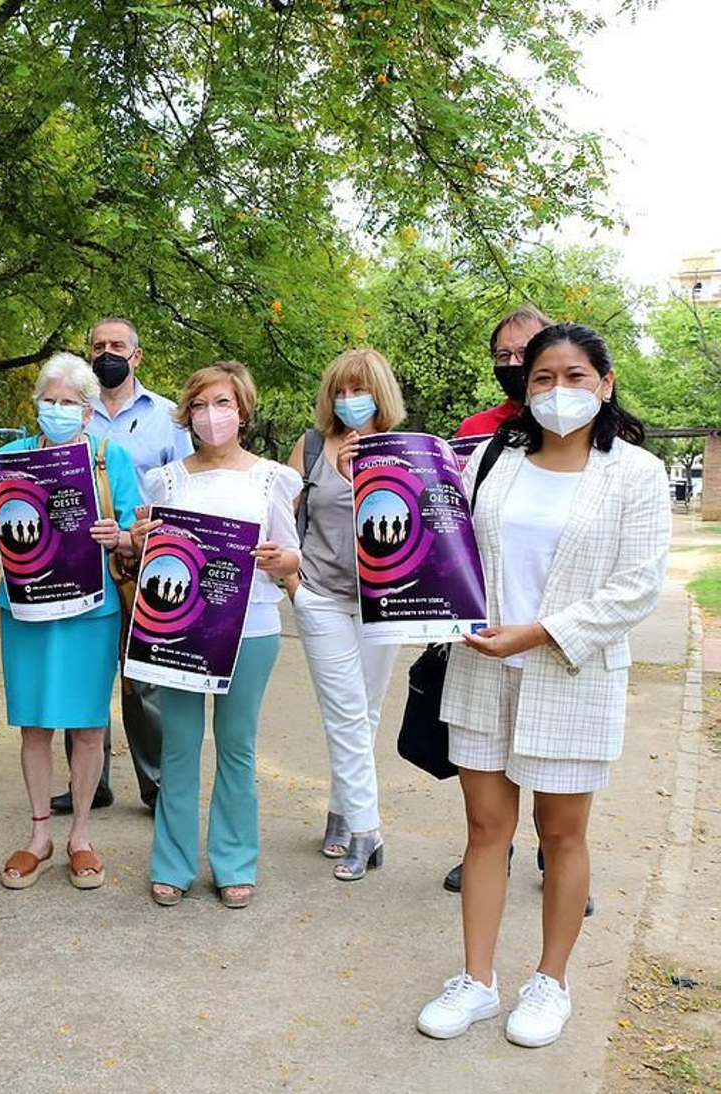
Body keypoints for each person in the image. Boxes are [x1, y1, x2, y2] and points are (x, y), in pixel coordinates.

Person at [416, 323, 668, 1048]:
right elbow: (448, 550)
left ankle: (550, 981)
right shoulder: (493, 460)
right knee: (486, 831)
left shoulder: (635, 473)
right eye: (543, 379)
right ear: (525, 392)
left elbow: (636, 589)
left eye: (575, 376)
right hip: (483, 670)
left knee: (561, 836)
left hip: (569, 672)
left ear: (606, 383)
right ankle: (477, 980)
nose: (559, 391)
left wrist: (539, 632)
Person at [130, 362, 300, 909]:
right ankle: (173, 864)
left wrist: (282, 558)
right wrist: (138, 539)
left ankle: (233, 862)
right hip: (179, 627)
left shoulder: (273, 478)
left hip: (251, 627)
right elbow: (150, 553)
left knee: (237, 747)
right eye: (200, 405)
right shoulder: (166, 479)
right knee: (178, 746)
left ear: (243, 410)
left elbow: (292, 552)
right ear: (187, 415)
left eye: (223, 403)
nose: (211, 415)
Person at [0, 353, 140, 893]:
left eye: (69, 403)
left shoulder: (107, 458)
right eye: (49, 401)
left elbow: (141, 531)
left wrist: (118, 536)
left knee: (89, 726)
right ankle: (39, 836)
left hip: (91, 609)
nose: (58, 410)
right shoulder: (11, 457)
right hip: (26, 606)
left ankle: (81, 837)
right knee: (34, 724)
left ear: (89, 412)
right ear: (36, 406)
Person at [446, 305, 589, 908]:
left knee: (560, 811)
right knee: (487, 799)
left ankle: (553, 857)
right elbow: (447, 518)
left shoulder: (601, 438)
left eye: (522, 354)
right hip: (487, 632)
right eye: (502, 357)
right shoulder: (480, 432)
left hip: (559, 645)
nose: (513, 366)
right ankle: (492, 850)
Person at [52, 317, 193, 815]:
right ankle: (89, 783)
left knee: (144, 682)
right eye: (98, 345)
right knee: (85, 675)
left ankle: (157, 786)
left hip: (145, 568)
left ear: (136, 356)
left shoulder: (168, 417)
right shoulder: (71, 412)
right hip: (79, 568)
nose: (106, 352)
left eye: (117, 345)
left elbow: (187, 487)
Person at [287, 348, 406, 881]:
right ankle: (366, 830)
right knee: (344, 710)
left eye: (360, 390)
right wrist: (293, 583)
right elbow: (277, 514)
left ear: (381, 394)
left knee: (367, 710)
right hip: (321, 595)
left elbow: (415, 525)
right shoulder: (313, 445)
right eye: (340, 390)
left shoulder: (404, 450)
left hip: (385, 600)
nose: (349, 400)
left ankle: (341, 809)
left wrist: (363, 477)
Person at [455, 304, 551, 439]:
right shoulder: (474, 430)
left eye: (523, 353)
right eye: (504, 355)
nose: (513, 363)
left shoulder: (576, 425)